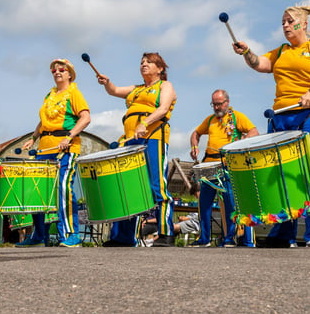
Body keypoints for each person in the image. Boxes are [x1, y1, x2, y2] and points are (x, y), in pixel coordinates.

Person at [232, 1, 310, 248]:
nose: (285, 26)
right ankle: (283, 232)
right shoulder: (281, 51)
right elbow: (259, 64)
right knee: (279, 175)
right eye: (282, 22)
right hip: (280, 116)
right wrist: (247, 51)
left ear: (303, 24)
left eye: (289, 21)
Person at [97, 52, 177, 247]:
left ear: (160, 68)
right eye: (142, 62)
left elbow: (163, 109)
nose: (144, 64)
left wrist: (145, 123)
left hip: (153, 138)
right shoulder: (136, 89)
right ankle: (123, 237)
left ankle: (166, 233)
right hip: (131, 141)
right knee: (128, 189)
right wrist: (107, 82)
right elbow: (114, 90)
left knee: (156, 186)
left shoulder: (164, 86)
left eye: (149, 62)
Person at [15, 59, 90, 248]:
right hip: (44, 148)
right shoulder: (49, 94)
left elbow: (86, 117)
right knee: (38, 192)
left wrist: (70, 136)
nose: (57, 72)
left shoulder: (74, 93)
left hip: (65, 148)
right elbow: (43, 121)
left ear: (69, 74)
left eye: (61, 69)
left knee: (63, 189)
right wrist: (33, 138)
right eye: (54, 70)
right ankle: (39, 235)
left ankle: (71, 234)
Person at [188, 89, 259, 247]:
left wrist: (241, 143)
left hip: (226, 165)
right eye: (214, 104)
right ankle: (204, 238)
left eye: (219, 104)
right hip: (209, 165)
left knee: (229, 203)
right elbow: (196, 133)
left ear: (227, 102)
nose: (216, 108)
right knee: (204, 203)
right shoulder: (210, 120)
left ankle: (229, 238)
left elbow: (254, 131)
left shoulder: (236, 117)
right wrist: (194, 146)